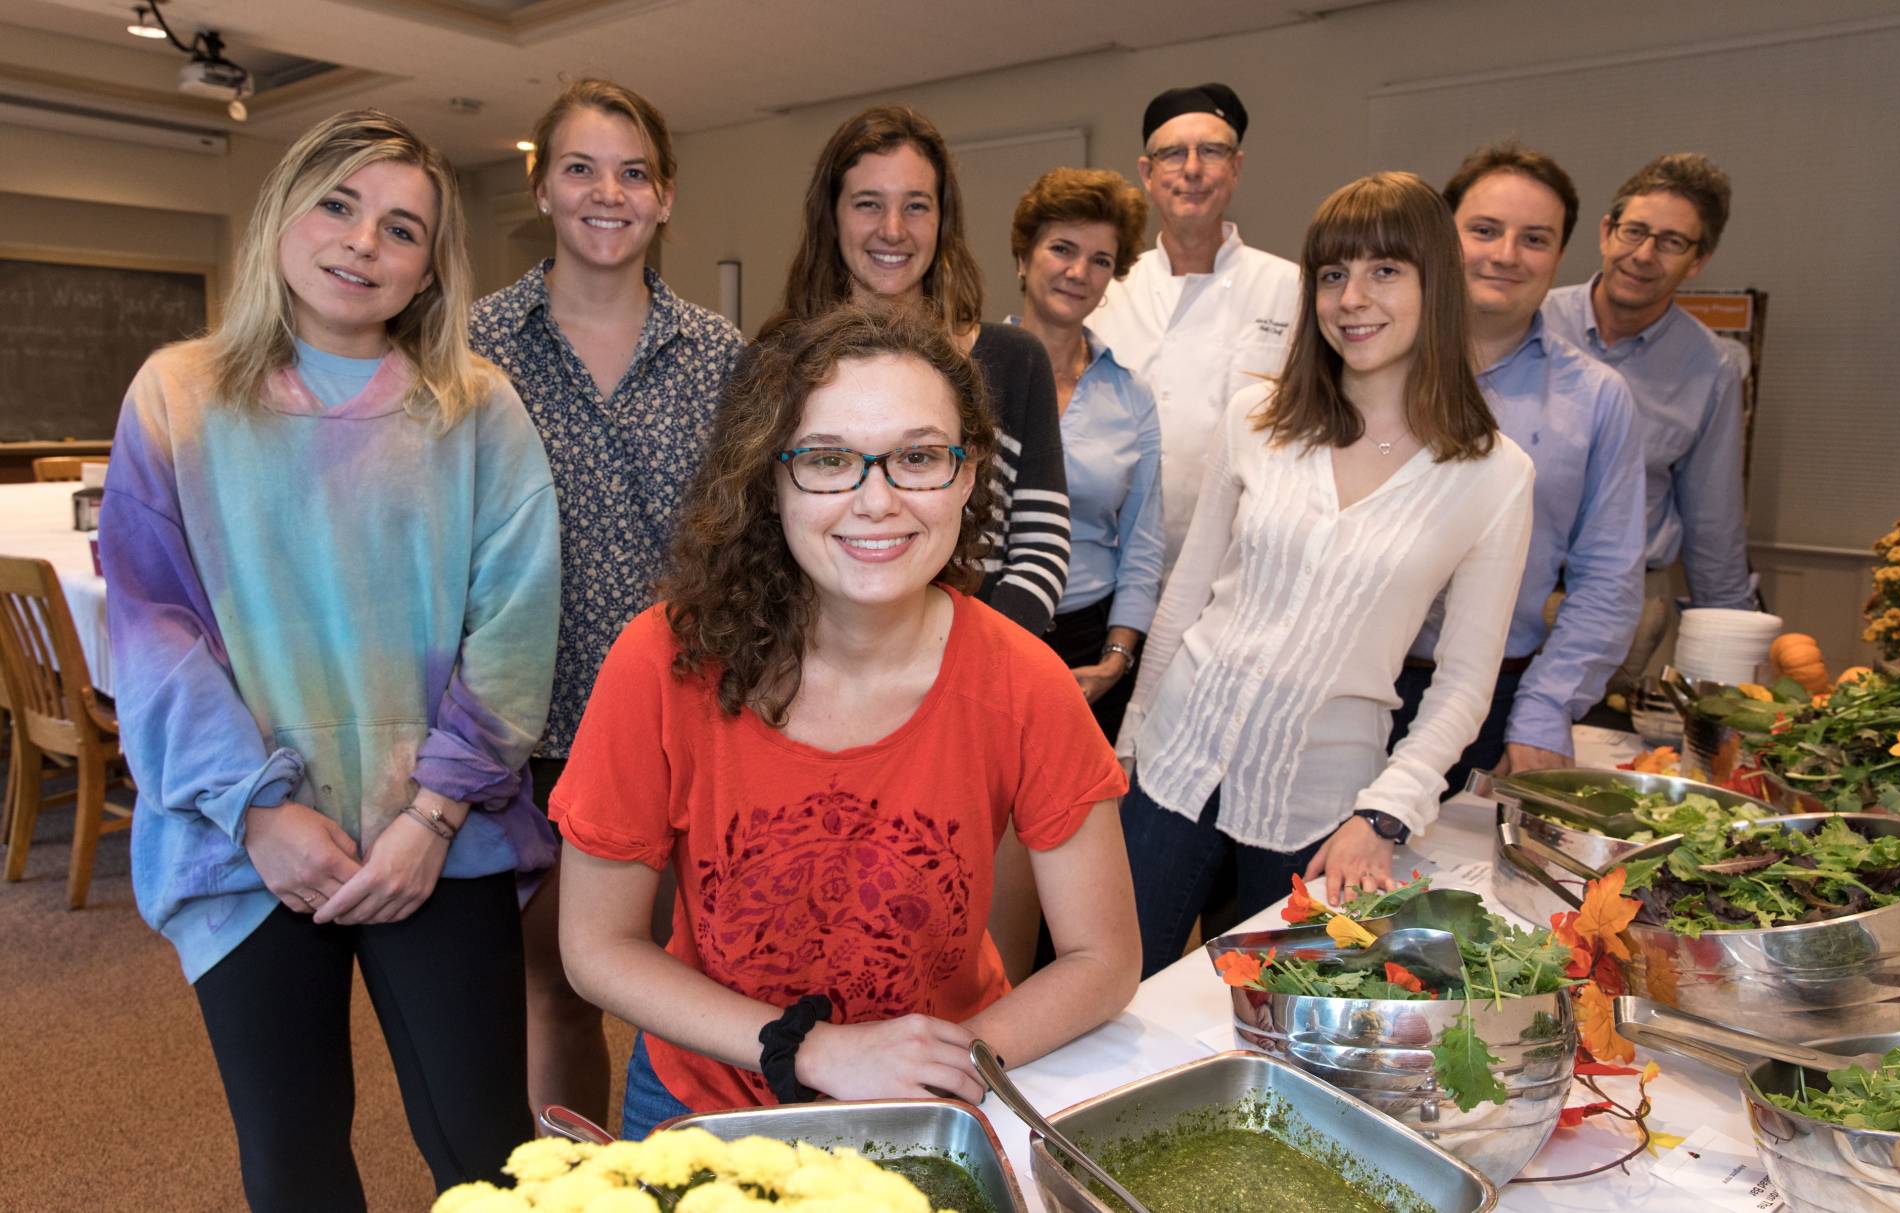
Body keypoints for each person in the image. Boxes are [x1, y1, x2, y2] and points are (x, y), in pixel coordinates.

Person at [101, 110, 560, 1210]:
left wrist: (430, 818)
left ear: (428, 270)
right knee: (293, 1157)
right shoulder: (176, 396)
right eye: (339, 205)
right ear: (280, 219)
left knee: (488, 1152)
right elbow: (154, 627)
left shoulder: (477, 409)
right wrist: (258, 809)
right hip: (244, 841)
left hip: (438, 837)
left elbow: (515, 623)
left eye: (402, 229)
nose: (364, 242)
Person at [553, 305, 1140, 1131]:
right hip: (706, 1090)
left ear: (967, 476)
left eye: (918, 457)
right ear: (771, 478)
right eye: (828, 460)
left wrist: (942, 1063)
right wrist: (816, 1049)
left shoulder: (1026, 682)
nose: (876, 500)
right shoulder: (660, 661)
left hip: (936, 1093)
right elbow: (595, 945)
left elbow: (1103, 958)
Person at [1117, 173, 1534, 978]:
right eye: (1334, 274)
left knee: (1276, 1019)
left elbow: (1463, 684)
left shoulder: (1493, 475)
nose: (1352, 299)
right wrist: (1128, 747)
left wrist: (1385, 814)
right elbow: (1186, 597)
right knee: (1116, 995)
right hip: (1173, 765)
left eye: (1386, 271)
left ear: (1436, 285)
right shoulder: (1256, 418)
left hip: (1324, 807)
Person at [469, 79, 743, 1130]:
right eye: (580, 168)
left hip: (689, 720)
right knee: (559, 989)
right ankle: (575, 1188)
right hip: (526, 732)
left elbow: (748, 540)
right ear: (542, 187)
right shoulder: (475, 347)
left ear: (665, 197)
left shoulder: (719, 355)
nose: (608, 193)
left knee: (701, 991)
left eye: (634, 173)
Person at [1388, 144, 1645, 784]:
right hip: (1341, 688)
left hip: (1496, 709)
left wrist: (1544, 711)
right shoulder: (1367, 366)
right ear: (1442, 238)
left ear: (1560, 256)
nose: (1505, 255)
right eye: (1483, 230)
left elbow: (1607, 578)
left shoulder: (1598, 399)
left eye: (1534, 238)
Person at [760, 104, 1070, 637]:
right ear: (831, 217)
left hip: (982, 654)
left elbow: (1042, 548)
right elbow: (750, 546)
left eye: (916, 206)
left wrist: (963, 661)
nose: (893, 229)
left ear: (943, 220)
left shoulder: (1017, 360)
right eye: (868, 203)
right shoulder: (771, 363)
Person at [1541, 153, 1755, 685]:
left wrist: (1734, 671)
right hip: (1505, 587)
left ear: (1698, 261)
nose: (1642, 255)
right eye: (1634, 231)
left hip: (1627, 614)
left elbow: (1713, 524)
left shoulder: (1711, 368)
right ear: (1606, 231)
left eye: (1671, 242)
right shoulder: (1530, 322)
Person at [1089, 82, 1302, 570]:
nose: (1192, 169)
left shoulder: (1291, 289)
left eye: (1211, 151)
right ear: (1147, 173)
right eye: (1172, 154)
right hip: (1120, 564)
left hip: (1245, 563)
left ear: (1236, 167)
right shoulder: (1110, 289)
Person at [1008, 168, 1165, 741]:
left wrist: (1115, 659)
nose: (1079, 272)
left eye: (1100, 260)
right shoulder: (966, 372)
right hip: (982, 628)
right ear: (1023, 256)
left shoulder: (1131, 396)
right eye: (1062, 249)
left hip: (1087, 645)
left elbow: (1143, 543)